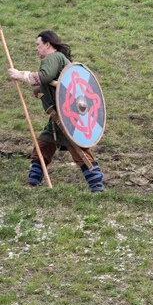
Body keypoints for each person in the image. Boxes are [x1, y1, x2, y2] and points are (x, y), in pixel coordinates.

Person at [8, 30, 104, 192]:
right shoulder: (60, 58)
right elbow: (56, 83)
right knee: (43, 145)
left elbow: (46, 76)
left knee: (79, 151)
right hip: (59, 116)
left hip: (67, 115)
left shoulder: (53, 57)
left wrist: (21, 75)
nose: (36, 49)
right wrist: (39, 88)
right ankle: (32, 182)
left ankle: (97, 187)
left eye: (38, 45)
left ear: (47, 44)